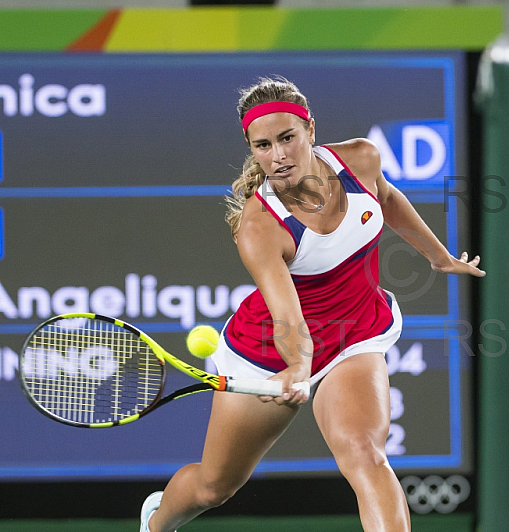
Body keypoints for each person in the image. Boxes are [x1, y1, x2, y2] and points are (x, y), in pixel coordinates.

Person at [139, 76, 485, 532]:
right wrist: (298, 366)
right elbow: (287, 315)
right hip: (268, 351)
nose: (278, 155)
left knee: (365, 453)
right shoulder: (259, 228)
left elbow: (386, 197)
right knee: (214, 487)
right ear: (252, 148)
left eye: (287, 138)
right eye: (263, 145)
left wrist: (438, 257)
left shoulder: (361, 157)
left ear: (310, 131)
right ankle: (156, 521)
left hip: (355, 334)